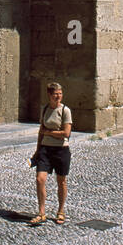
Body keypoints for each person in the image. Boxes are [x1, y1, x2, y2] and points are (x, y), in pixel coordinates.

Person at [29, 81, 72, 225]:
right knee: (40, 179)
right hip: (45, 149)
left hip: (61, 150)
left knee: (62, 181)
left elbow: (66, 133)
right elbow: (40, 132)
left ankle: (61, 211)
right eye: (55, 94)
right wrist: (37, 150)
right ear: (49, 95)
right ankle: (41, 213)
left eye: (60, 94)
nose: (58, 96)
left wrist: (49, 132)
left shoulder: (65, 110)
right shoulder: (45, 109)